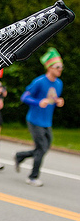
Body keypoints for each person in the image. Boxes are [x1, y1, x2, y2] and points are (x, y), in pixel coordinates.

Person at [14, 47, 64, 186]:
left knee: (44, 148)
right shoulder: (39, 81)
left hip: (47, 121)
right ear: (49, 68)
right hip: (34, 120)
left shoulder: (59, 83)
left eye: (61, 67)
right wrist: (37, 102)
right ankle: (32, 177)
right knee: (41, 148)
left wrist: (58, 101)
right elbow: (25, 97)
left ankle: (20, 156)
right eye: (57, 67)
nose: (60, 69)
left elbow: (52, 98)